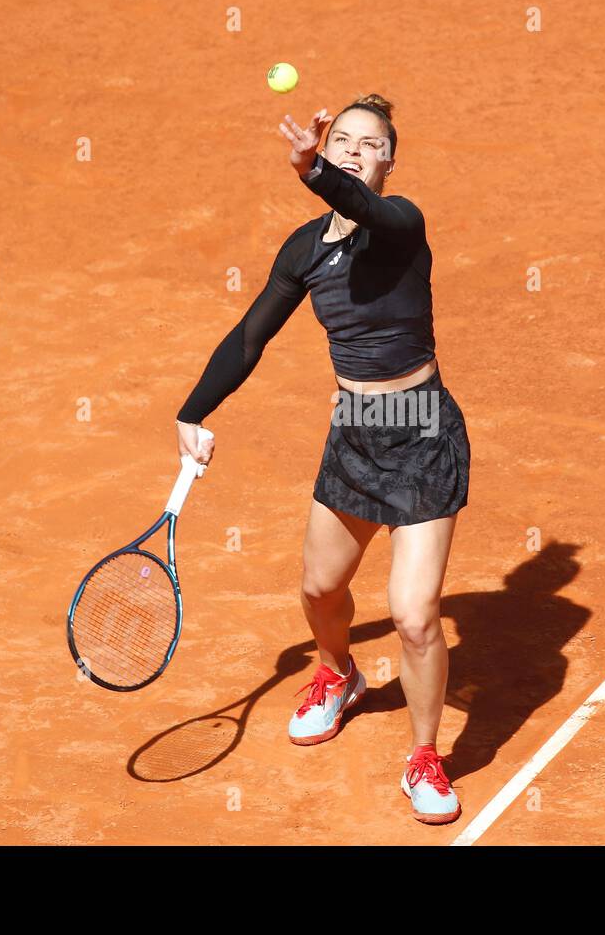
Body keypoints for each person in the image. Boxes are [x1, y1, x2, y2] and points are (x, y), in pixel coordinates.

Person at [174, 94, 471, 825]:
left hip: (423, 435)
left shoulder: (401, 224)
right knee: (318, 589)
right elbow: (249, 338)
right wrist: (192, 411)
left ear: (388, 161)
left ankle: (424, 756)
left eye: (367, 144)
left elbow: (357, 204)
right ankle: (338, 673)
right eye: (340, 139)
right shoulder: (305, 249)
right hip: (357, 435)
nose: (351, 149)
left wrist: (312, 169)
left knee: (414, 616)